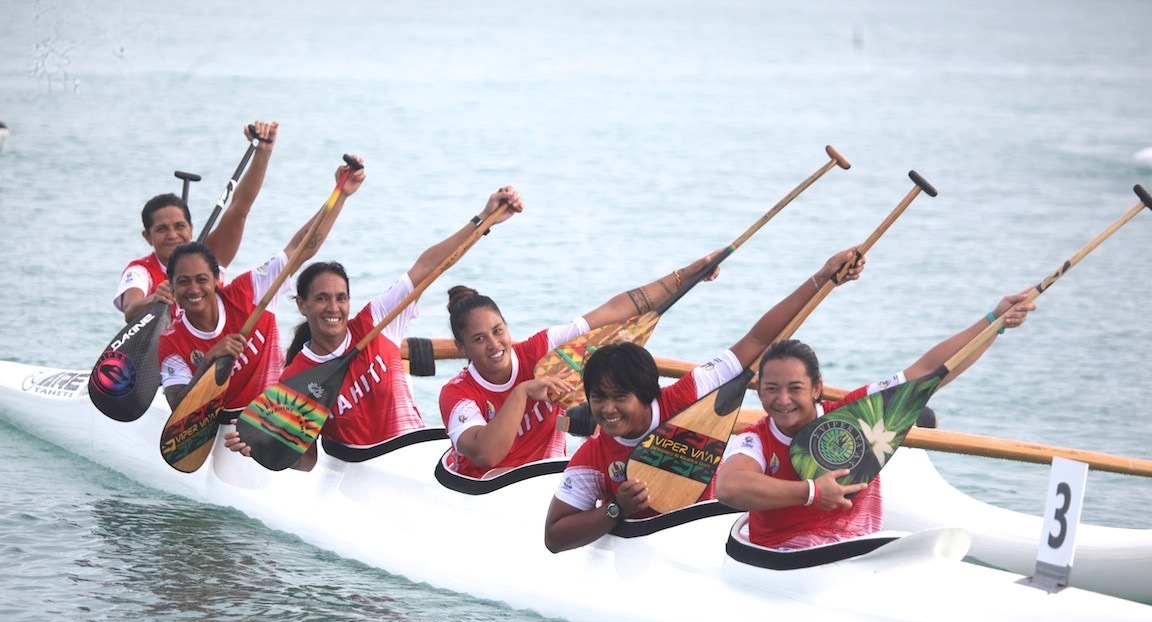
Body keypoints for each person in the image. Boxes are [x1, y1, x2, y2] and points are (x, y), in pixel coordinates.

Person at [543, 247, 866, 553]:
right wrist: (615, 510)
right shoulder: (593, 456)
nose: (607, 410)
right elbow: (554, 537)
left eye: (619, 397)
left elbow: (758, 338)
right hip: (655, 553)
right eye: (598, 398)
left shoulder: (689, 396)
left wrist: (822, 278)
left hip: (713, 536)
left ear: (647, 394)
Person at [223, 186, 525, 471]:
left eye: (341, 298)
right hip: (364, 477)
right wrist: (264, 445)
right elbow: (307, 462)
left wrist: (484, 218)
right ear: (302, 305)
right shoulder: (295, 377)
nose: (333, 308)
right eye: (322, 299)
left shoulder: (377, 321)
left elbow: (430, 266)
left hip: (417, 459)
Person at [712, 293, 1036, 550]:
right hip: (782, 557)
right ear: (758, 391)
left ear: (817, 388)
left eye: (795, 388)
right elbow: (729, 486)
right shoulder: (755, 440)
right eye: (771, 389)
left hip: (861, 550)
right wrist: (810, 492)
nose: (782, 400)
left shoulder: (858, 414)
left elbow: (930, 370)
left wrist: (995, 321)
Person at [438, 248, 723, 479]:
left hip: (546, 478)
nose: (494, 344)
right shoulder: (457, 393)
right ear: (461, 347)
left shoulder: (542, 349)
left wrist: (687, 275)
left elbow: (613, 312)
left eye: (498, 330)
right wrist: (521, 392)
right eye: (479, 339)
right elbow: (486, 455)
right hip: (484, 489)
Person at [158, 157, 365, 419]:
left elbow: (303, 248)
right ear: (173, 289)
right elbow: (179, 408)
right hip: (222, 425)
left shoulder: (250, 290)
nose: (194, 289)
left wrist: (340, 195)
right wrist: (209, 359)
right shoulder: (171, 341)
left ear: (216, 280)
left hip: (274, 415)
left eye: (202, 279)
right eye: (183, 282)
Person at [114, 121, 279, 323]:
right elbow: (131, 310)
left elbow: (239, 208)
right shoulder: (141, 271)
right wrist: (154, 300)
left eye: (180, 226)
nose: (173, 235)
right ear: (147, 237)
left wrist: (263, 152)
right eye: (162, 229)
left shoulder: (210, 256)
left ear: (191, 229)